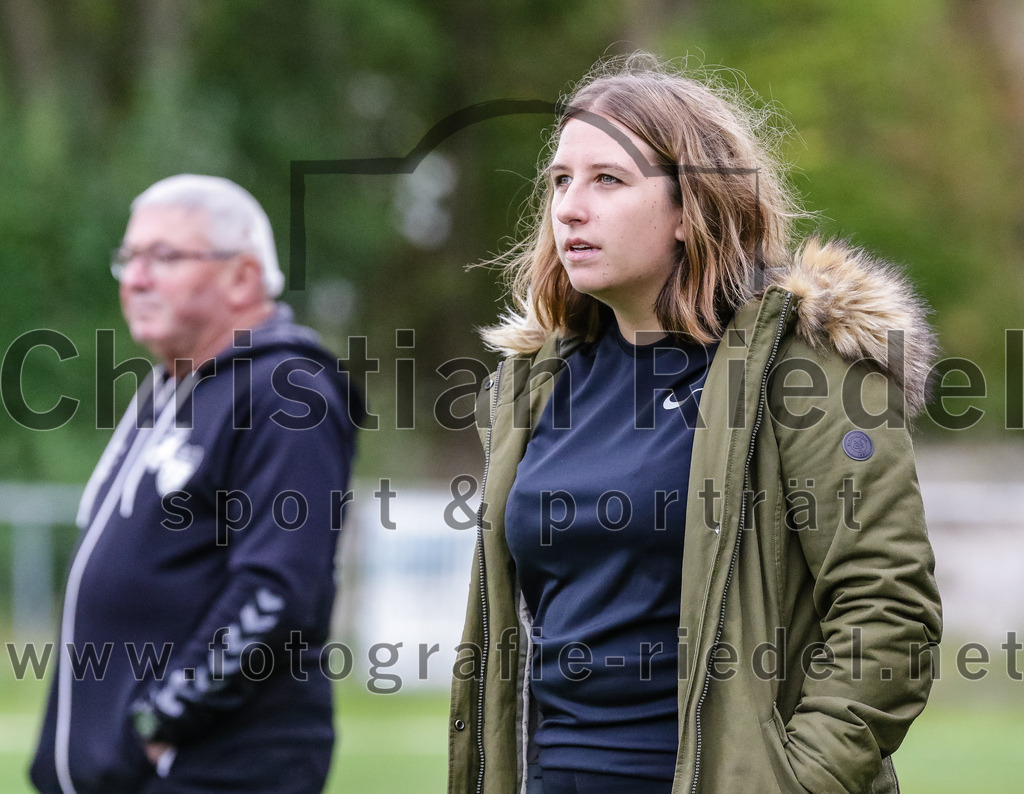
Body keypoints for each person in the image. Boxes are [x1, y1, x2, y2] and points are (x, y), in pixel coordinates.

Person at [448, 54, 942, 793]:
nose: (569, 208)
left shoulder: (805, 370)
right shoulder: (533, 385)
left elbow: (889, 611)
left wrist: (792, 783)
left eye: (607, 180)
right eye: (559, 181)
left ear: (691, 207)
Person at [31, 175, 360, 793]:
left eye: (164, 257)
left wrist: (166, 717)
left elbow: (277, 591)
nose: (136, 278)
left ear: (241, 277)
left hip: (213, 768)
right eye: (128, 258)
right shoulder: (173, 386)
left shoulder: (287, 393)